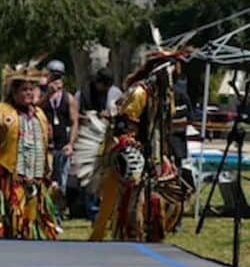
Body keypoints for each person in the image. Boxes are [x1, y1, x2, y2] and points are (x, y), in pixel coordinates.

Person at [89, 52, 193, 242]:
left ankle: (151, 237)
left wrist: (164, 156)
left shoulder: (164, 95)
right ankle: (128, 236)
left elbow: (162, 128)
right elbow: (123, 125)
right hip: (133, 155)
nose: (174, 78)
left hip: (155, 154)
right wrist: (129, 150)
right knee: (130, 204)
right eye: (172, 72)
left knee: (166, 199)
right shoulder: (139, 92)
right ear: (160, 72)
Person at [0, 66, 61, 240]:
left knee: (35, 221)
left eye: (32, 89)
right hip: (11, 179)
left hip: (37, 179)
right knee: (13, 220)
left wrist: (48, 168)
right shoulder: (0, 112)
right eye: (24, 90)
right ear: (14, 92)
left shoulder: (40, 115)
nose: (29, 93)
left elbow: (49, 145)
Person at [42, 61, 79, 204]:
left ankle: (57, 215)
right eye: (53, 75)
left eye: (59, 76)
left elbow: (75, 121)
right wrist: (48, 94)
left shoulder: (68, 97)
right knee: (46, 181)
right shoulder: (41, 94)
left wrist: (71, 144)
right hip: (46, 146)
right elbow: (35, 108)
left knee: (61, 183)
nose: (56, 79)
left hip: (62, 145)